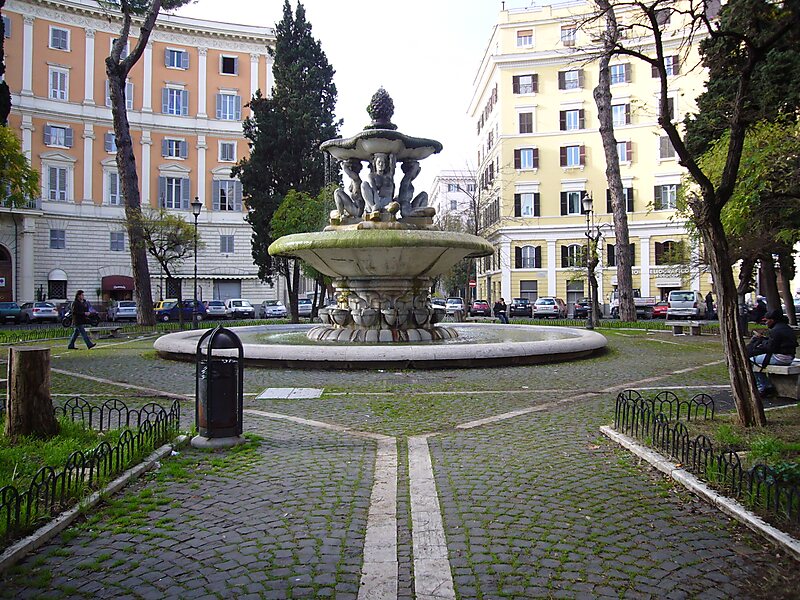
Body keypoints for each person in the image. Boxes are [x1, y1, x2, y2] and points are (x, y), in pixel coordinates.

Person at [748, 308, 797, 395]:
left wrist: (761, 341)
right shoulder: (786, 327)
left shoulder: (775, 331)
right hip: (790, 356)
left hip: (780, 358)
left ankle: (763, 386)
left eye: (767, 321)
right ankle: (765, 385)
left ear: (772, 320)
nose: (766, 323)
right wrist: (765, 339)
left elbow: (770, 348)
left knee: (752, 360)